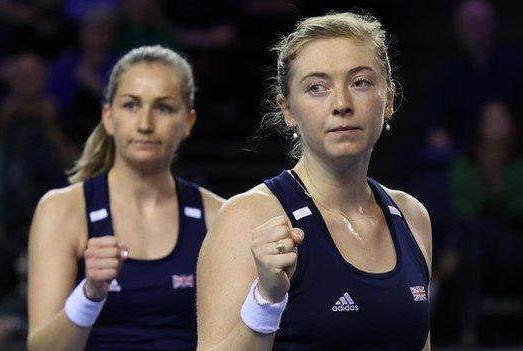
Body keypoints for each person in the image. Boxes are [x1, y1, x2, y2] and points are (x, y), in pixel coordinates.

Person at [197, 12, 432, 350]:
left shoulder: (412, 216)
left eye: (360, 82)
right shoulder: (247, 217)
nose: (341, 104)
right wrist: (265, 300)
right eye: (317, 88)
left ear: (389, 100)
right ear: (288, 110)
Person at [27, 45, 224, 351]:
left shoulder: (219, 216)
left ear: (188, 122)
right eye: (131, 105)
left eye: (164, 108)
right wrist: (89, 294)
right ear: (108, 116)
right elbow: (42, 349)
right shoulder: (63, 209)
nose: (145, 124)